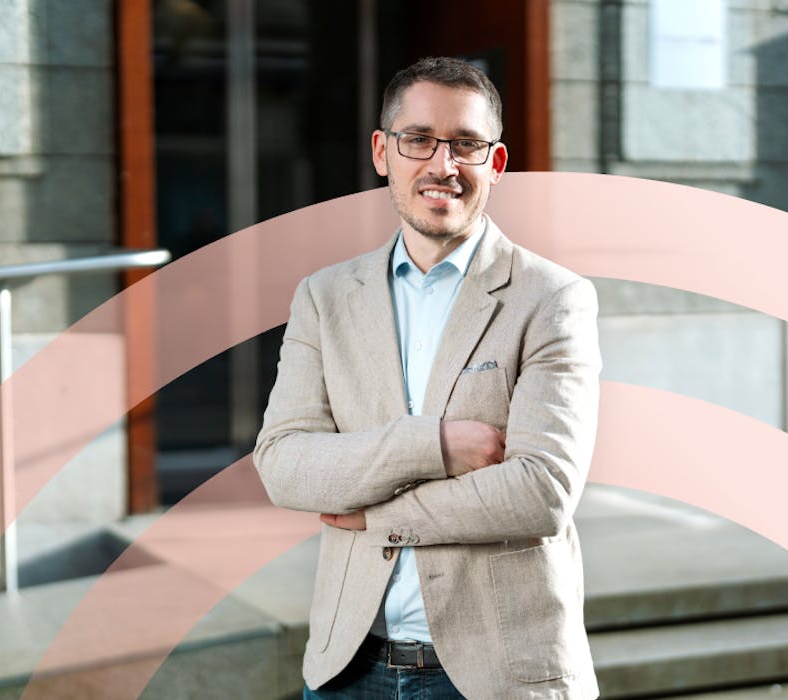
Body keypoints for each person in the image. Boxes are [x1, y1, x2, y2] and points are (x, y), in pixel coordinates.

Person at [254, 56, 601, 699]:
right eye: (419, 140)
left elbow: (542, 491)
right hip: (349, 669)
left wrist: (378, 515)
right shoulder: (324, 297)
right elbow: (283, 464)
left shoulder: (552, 298)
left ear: (495, 165)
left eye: (466, 144)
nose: (443, 166)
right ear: (384, 152)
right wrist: (434, 442)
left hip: (500, 674)